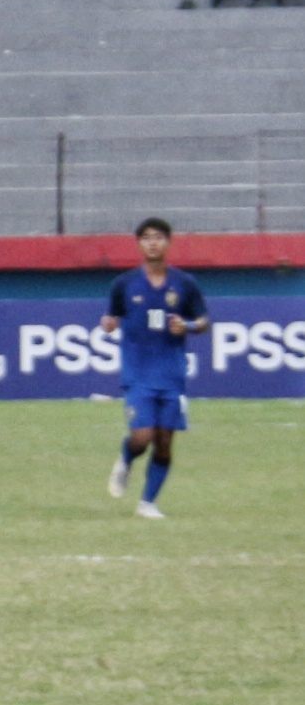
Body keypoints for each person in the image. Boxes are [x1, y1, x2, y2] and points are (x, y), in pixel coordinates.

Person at [102, 217, 208, 519]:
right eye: (147, 237)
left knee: (164, 442)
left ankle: (147, 502)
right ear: (139, 243)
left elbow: (203, 322)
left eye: (159, 237)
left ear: (168, 242)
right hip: (137, 373)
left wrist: (187, 325)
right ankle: (126, 459)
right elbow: (111, 317)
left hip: (172, 374)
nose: (153, 242)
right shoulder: (124, 284)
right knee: (142, 436)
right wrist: (108, 323)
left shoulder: (185, 284)